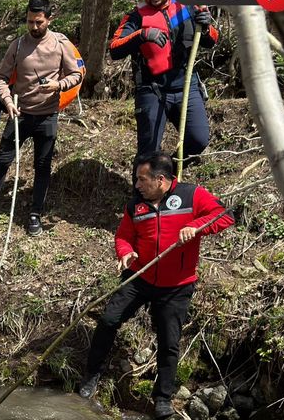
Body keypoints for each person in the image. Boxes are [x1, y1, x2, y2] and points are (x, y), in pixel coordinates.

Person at [78, 151, 234, 419]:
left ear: (160, 180)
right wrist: (125, 253)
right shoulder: (135, 206)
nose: (137, 185)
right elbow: (124, 236)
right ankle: (92, 375)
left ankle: (163, 398)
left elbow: (224, 216)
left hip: (176, 285)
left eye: (142, 180)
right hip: (139, 276)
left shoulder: (191, 195)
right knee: (108, 320)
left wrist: (196, 226)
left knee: (169, 341)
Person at [0, 0, 84, 235]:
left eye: (39, 22)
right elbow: (1, 78)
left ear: (49, 19)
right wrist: (6, 101)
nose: (34, 27)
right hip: (20, 114)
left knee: (42, 165)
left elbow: (77, 75)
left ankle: (35, 213)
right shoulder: (18, 45)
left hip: (47, 115)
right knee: (3, 160)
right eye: (30, 22)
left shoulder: (61, 44)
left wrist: (59, 85)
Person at [109, 0, 219, 166]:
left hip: (186, 86)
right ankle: (142, 193)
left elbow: (211, 40)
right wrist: (142, 35)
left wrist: (205, 27)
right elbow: (114, 48)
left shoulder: (187, 6)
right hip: (152, 90)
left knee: (198, 140)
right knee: (148, 155)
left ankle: (168, 170)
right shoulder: (135, 17)